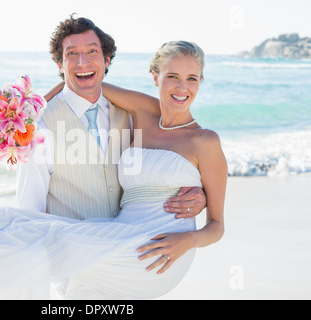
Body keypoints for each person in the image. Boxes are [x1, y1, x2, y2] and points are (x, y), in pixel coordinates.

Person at [0, 40, 227, 300]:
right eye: (173, 77)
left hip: (159, 252)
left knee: (40, 241)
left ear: (200, 83)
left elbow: (217, 225)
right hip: (118, 233)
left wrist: (189, 237)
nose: (182, 88)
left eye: (192, 79)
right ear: (155, 77)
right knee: (8, 218)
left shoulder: (205, 141)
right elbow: (80, 83)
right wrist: (23, 113)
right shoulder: (142, 111)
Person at [16, 16, 206, 297]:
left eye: (92, 51)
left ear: (107, 59)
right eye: (72, 55)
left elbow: (169, 162)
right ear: (60, 65)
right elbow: (28, 211)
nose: (83, 62)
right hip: (79, 271)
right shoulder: (40, 126)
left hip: (134, 259)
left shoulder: (132, 116)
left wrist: (198, 196)